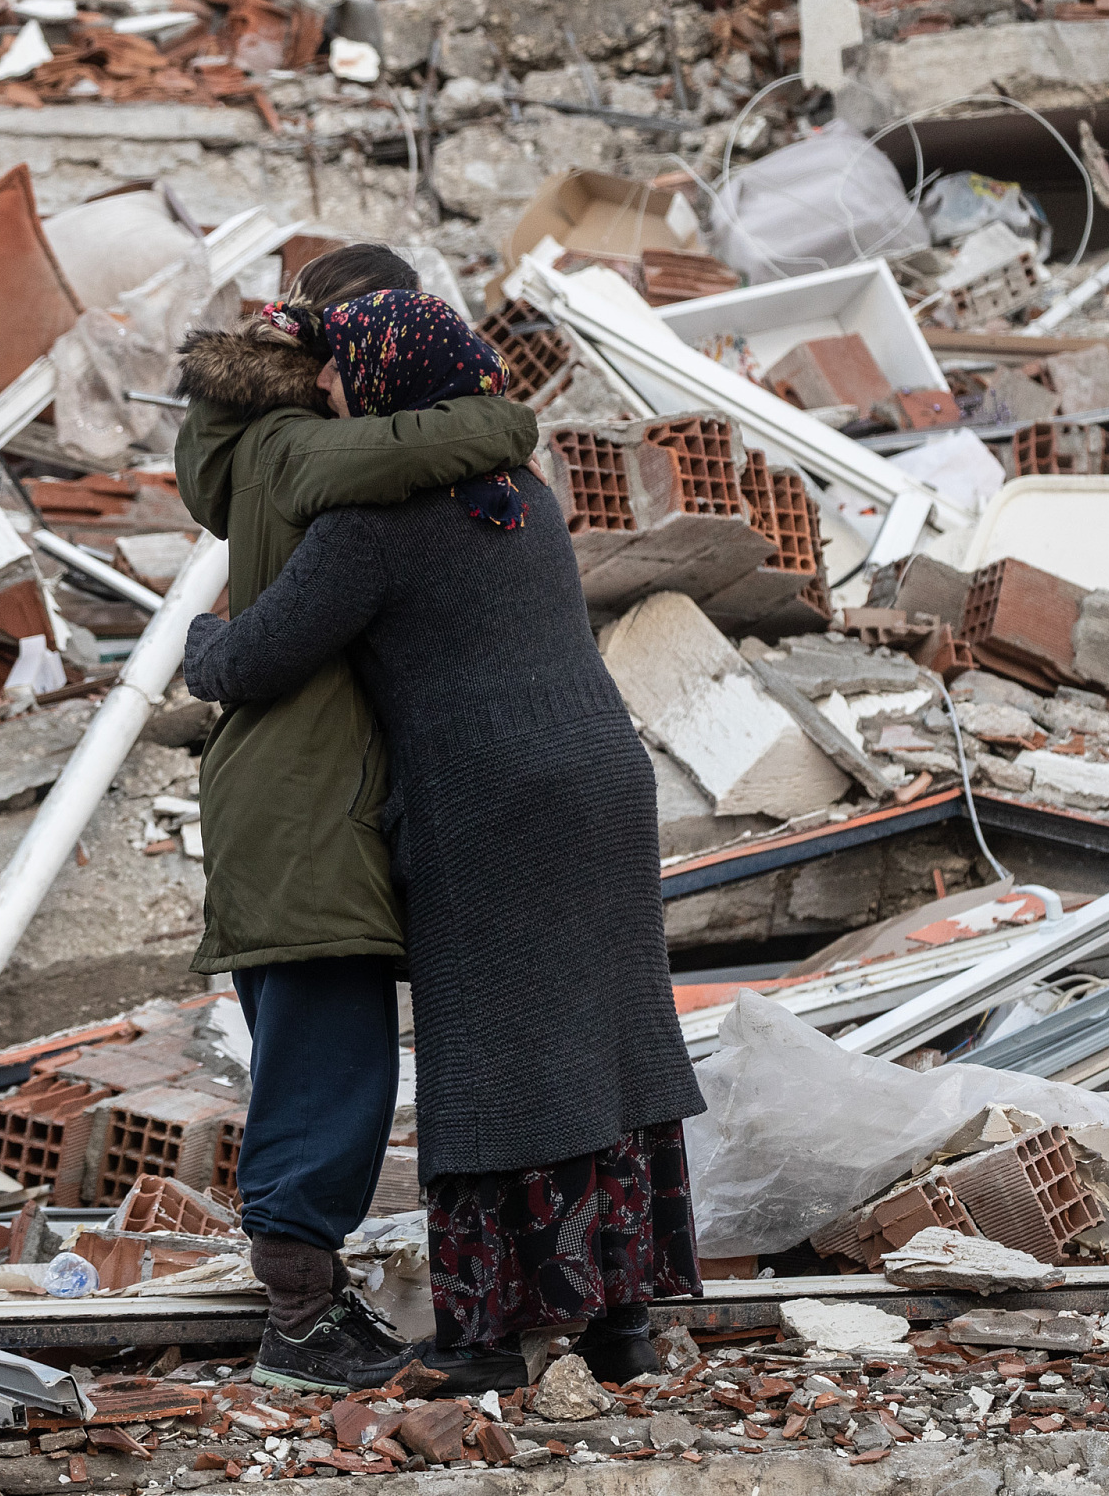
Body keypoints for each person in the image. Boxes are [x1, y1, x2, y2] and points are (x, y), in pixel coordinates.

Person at [181, 289, 706, 1394]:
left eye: (337, 369)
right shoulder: (530, 494)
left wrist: (202, 630)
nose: (322, 385)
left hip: (490, 799)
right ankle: (619, 1327)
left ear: (383, 384)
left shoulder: (374, 527)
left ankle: (478, 1342)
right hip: (607, 779)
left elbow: (250, 665)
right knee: (604, 1044)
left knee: (488, 1061)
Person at [174, 245, 541, 1395]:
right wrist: (505, 421)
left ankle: (305, 1306)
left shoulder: (247, 449)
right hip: (304, 805)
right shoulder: (292, 451)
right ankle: (297, 1323)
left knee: (318, 1058)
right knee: (328, 1071)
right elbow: (425, 441)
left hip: (297, 796)